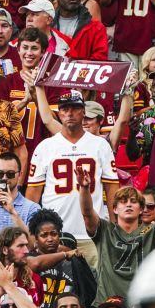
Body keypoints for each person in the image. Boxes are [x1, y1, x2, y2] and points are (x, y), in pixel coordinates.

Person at [26, 93, 119, 266]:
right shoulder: (45, 147)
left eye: (75, 109)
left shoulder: (100, 145)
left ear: (83, 112)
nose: (69, 113)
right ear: (59, 113)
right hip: (54, 237)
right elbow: (32, 197)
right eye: (64, 109)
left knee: (96, 288)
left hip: (93, 234)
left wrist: (114, 228)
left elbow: (112, 189)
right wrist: (34, 235)